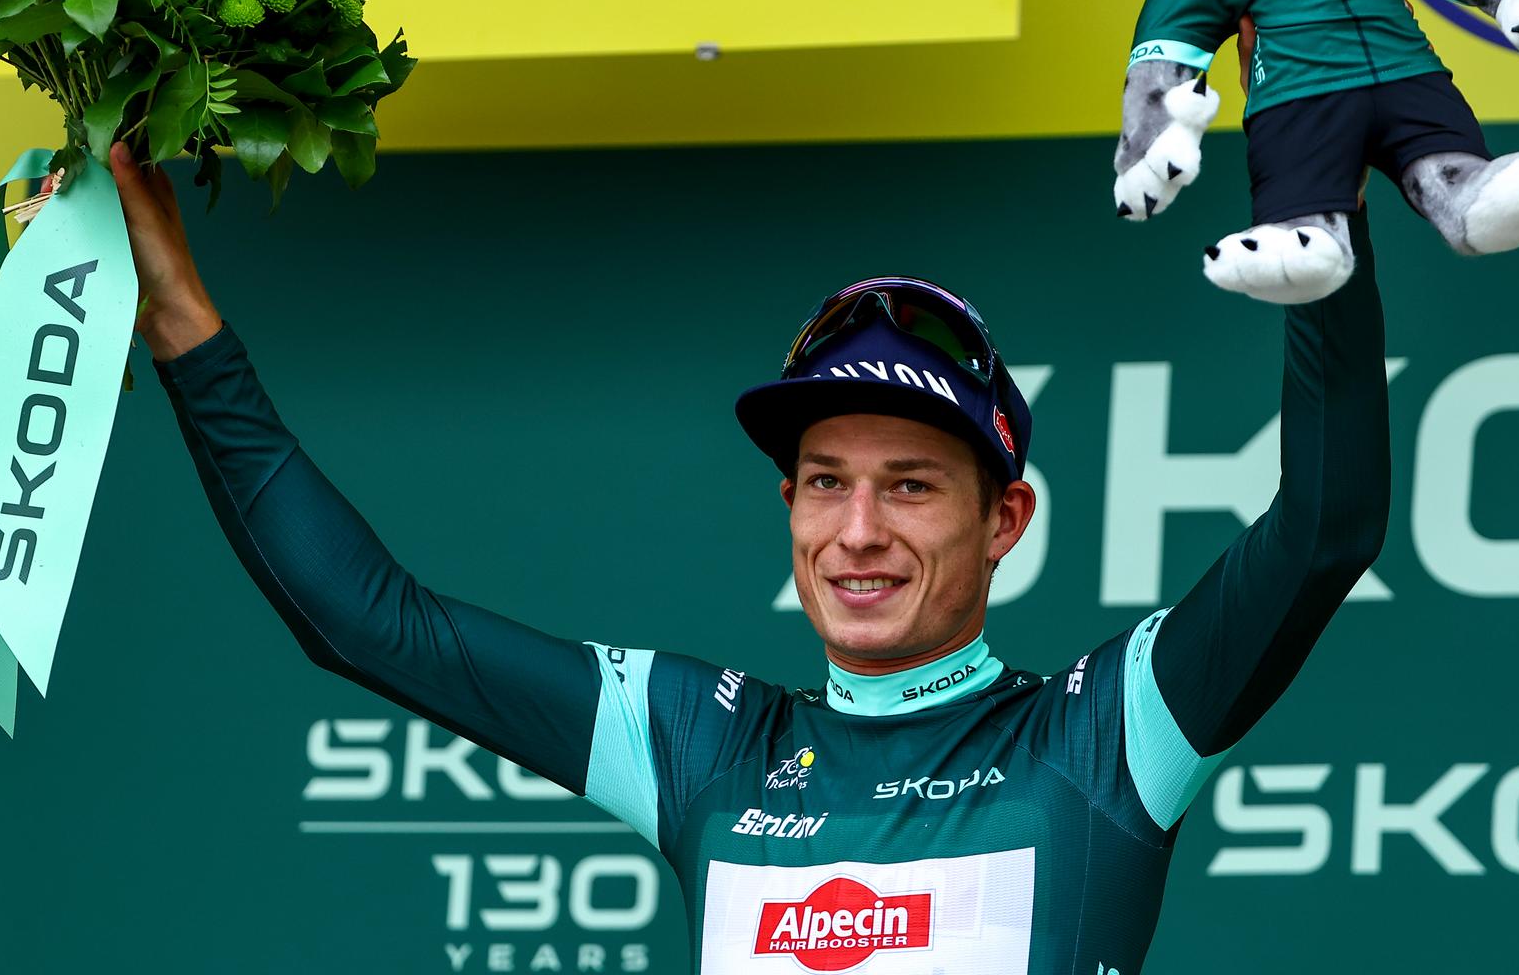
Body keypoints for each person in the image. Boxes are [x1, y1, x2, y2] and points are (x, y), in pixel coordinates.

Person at [111, 137, 1389, 972]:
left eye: (910, 485)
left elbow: (1325, 523)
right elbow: (367, 620)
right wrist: (181, 322)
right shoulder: (706, 743)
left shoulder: (1100, 733)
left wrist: (1310, 182)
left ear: (1005, 519)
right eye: (826, 483)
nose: (858, 531)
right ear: (789, 504)